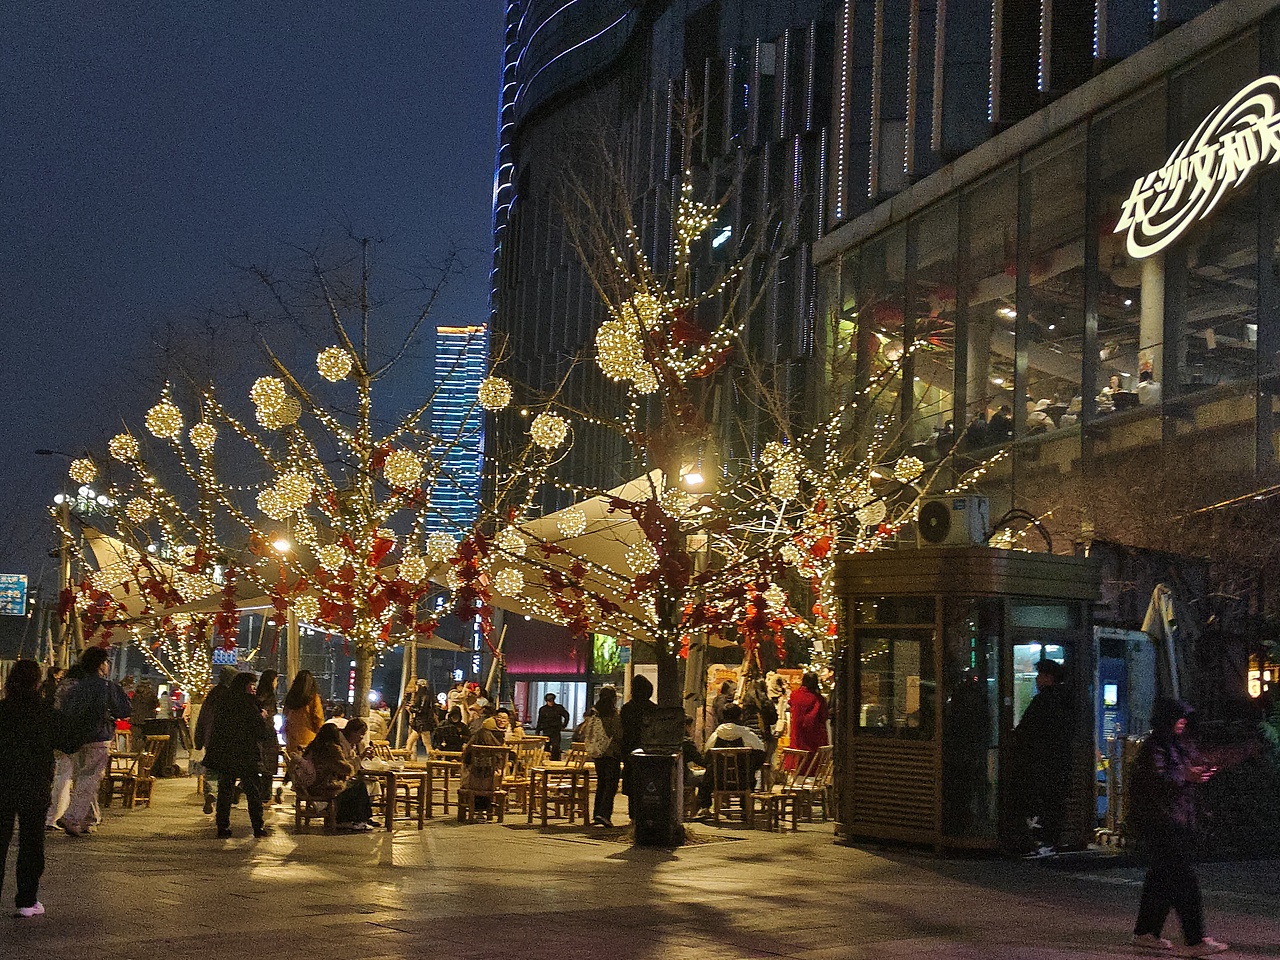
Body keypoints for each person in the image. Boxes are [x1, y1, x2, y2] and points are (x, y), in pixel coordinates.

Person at [1128, 699, 1227, 955]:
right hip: (1162, 822)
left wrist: (1197, 772)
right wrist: (1187, 775)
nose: (1182, 721)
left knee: (1161, 878)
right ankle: (1195, 939)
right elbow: (1156, 779)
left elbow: (1182, 771)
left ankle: (1146, 932)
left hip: (1175, 819)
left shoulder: (1176, 744)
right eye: (1178, 717)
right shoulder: (1155, 746)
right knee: (1183, 880)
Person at [0, 661, 56, 918]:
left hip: (3, 782)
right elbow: (68, 739)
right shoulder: (45, 712)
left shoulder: (3, 710)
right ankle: (26, 900)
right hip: (34, 783)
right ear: (37, 682)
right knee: (32, 843)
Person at [59, 647, 131, 837]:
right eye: (106, 662)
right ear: (101, 665)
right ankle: (72, 817)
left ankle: (90, 819)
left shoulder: (77, 687)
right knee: (90, 779)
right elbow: (124, 710)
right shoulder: (107, 687)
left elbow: (66, 710)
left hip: (76, 739)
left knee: (82, 778)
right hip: (99, 737)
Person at [1011, 657, 1072, 855]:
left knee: (1040, 801)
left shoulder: (1043, 701)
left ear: (1048, 677)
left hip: (1041, 762)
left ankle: (1042, 840)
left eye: (1040, 675)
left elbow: (1026, 730)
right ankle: (1052, 840)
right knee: (1055, 802)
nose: (1037, 679)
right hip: (1060, 762)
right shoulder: (1068, 700)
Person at [203, 672, 272, 838]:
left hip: (227, 754)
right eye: (251, 685)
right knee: (253, 791)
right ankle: (257, 826)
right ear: (244, 686)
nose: (254, 689)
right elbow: (260, 731)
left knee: (225, 791)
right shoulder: (250, 705)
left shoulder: (225, 702)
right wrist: (262, 717)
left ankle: (222, 827)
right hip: (246, 754)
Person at [697, 702, 766, 814]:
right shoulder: (747, 735)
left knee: (707, 777)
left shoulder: (716, 735)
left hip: (718, 782)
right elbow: (761, 755)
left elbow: (706, 758)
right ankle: (745, 808)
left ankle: (704, 807)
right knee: (748, 772)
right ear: (740, 716)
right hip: (744, 782)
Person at [194, 666, 240, 816]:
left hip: (211, 739)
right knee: (226, 772)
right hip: (228, 740)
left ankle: (210, 793)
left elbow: (202, 718)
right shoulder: (233, 696)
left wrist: (199, 739)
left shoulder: (212, 695)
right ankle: (222, 801)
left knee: (212, 768)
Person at [295, 725, 360, 826]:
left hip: (310, 786)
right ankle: (353, 820)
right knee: (358, 786)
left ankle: (348, 819)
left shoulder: (314, 746)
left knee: (353, 785)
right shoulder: (332, 749)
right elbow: (346, 769)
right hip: (324, 786)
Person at [45, 665, 82, 831]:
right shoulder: (79, 690)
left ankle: (53, 815)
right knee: (72, 777)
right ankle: (59, 815)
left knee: (62, 775)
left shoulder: (59, 688)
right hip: (72, 737)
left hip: (56, 735)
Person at [619, 675, 656, 812]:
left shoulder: (627, 708)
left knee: (632, 784)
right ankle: (646, 812)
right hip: (650, 750)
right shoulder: (653, 709)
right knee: (648, 783)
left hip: (630, 750)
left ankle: (633, 814)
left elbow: (622, 730)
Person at [588, 686, 623, 827]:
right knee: (611, 785)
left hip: (598, 753)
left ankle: (597, 813)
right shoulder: (613, 715)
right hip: (611, 753)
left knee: (601, 783)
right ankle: (604, 814)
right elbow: (618, 734)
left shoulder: (595, 713)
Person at [334, 718, 377, 830]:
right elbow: (345, 766)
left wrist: (364, 755)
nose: (361, 737)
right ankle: (356, 819)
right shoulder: (339, 745)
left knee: (372, 782)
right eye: (360, 734)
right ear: (352, 732)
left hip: (344, 776)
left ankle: (364, 818)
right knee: (359, 785)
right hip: (335, 779)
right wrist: (361, 756)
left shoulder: (353, 744)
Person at [740, 679, 779, 773]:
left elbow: (743, 718)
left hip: (748, 734)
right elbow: (773, 720)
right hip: (762, 735)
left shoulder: (746, 701)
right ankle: (765, 777)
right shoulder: (766, 701)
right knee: (766, 758)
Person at [282, 670, 324, 756]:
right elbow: (318, 718)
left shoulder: (290, 697)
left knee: (293, 761)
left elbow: (285, 715)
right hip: (308, 738)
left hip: (292, 737)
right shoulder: (313, 698)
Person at [788, 672, 830, 755]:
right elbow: (824, 716)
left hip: (797, 734)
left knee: (797, 757)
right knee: (813, 759)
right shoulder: (819, 699)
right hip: (814, 735)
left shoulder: (794, 695)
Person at [402, 680, 437, 757]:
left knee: (427, 743)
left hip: (423, 723)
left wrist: (411, 709)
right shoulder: (423, 696)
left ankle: (432, 758)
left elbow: (422, 710)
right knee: (410, 741)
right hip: (419, 723)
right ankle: (406, 756)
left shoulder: (425, 697)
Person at [534, 693, 570, 760]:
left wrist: (564, 725)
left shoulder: (558, 708)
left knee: (556, 746)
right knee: (546, 746)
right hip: (546, 730)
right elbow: (540, 720)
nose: (551, 703)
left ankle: (555, 759)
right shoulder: (543, 709)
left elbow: (566, 715)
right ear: (546, 701)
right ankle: (545, 759)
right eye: (549, 701)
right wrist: (537, 731)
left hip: (555, 730)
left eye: (552, 701)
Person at [129, 679, 159, 751]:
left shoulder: (135, 694)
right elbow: (156, 705)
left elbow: (131, 705)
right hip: (147, 719)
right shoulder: (151, 694)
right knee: (146, 737)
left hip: (135, 719)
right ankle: (145, 752)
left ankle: (135, 752)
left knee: (135, 737)